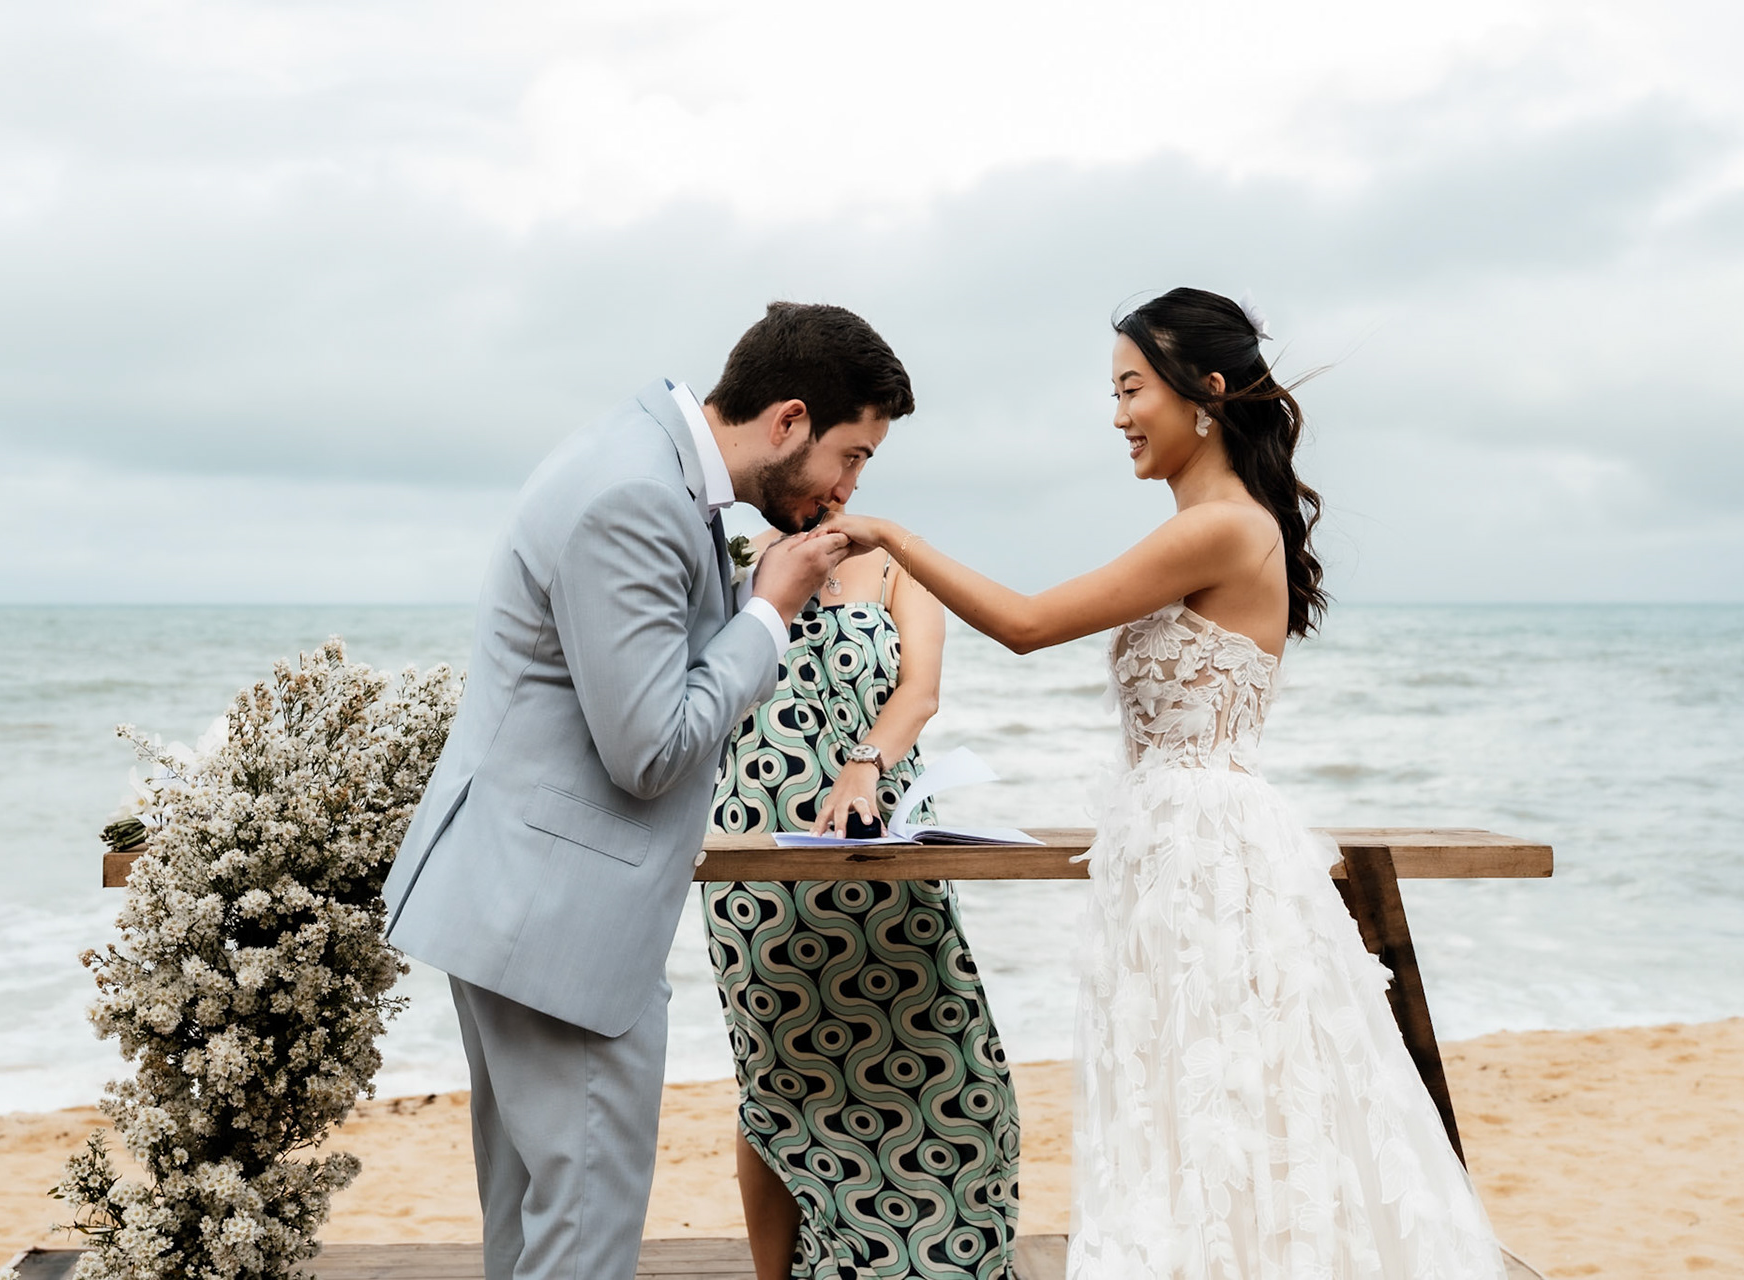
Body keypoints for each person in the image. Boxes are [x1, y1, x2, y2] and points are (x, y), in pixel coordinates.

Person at [827, 289, 1507, 1277]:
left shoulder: (1219, 528)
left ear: (1208, 393)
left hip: (1204, 851)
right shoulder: (1225, 524)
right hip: (1175, 842)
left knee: (1211, 1097)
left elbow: (1025, 623)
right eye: (1114, 391)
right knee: (1196, 1101)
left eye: (1131, 387)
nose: (1117, 416)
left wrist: (892, 537)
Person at [381, 302, 914, 1280]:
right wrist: (769, 611)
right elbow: (652, 747)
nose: (849, 486)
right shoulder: (636, 494)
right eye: (854, 454)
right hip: (558, 924)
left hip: (523, 899)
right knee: (580, 1240)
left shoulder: (648, 464)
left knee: (535, 1232)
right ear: (789, 419)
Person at [704, 517, 1021, 1280]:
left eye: (860, 462)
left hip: (882, 837)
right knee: (777, 1082)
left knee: (958, 1069)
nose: (845, 485)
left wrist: (865, 763)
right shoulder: (730, 563)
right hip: (756, 848)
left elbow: (922, 690)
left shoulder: (894, 564)